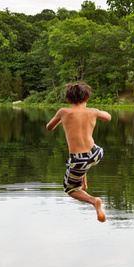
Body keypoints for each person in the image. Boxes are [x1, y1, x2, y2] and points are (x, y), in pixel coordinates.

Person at [46, 82, 111, 222]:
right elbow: (108, 117)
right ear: (87, 99)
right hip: (96, 154)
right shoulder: (93, 112)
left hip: (79, 160)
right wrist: (97, 111)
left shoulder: (63, 112)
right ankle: (84, 183)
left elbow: (49, 127)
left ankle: (94, 201)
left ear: (69, 100)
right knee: (78, 163)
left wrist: (60, 120)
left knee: (70, 189)